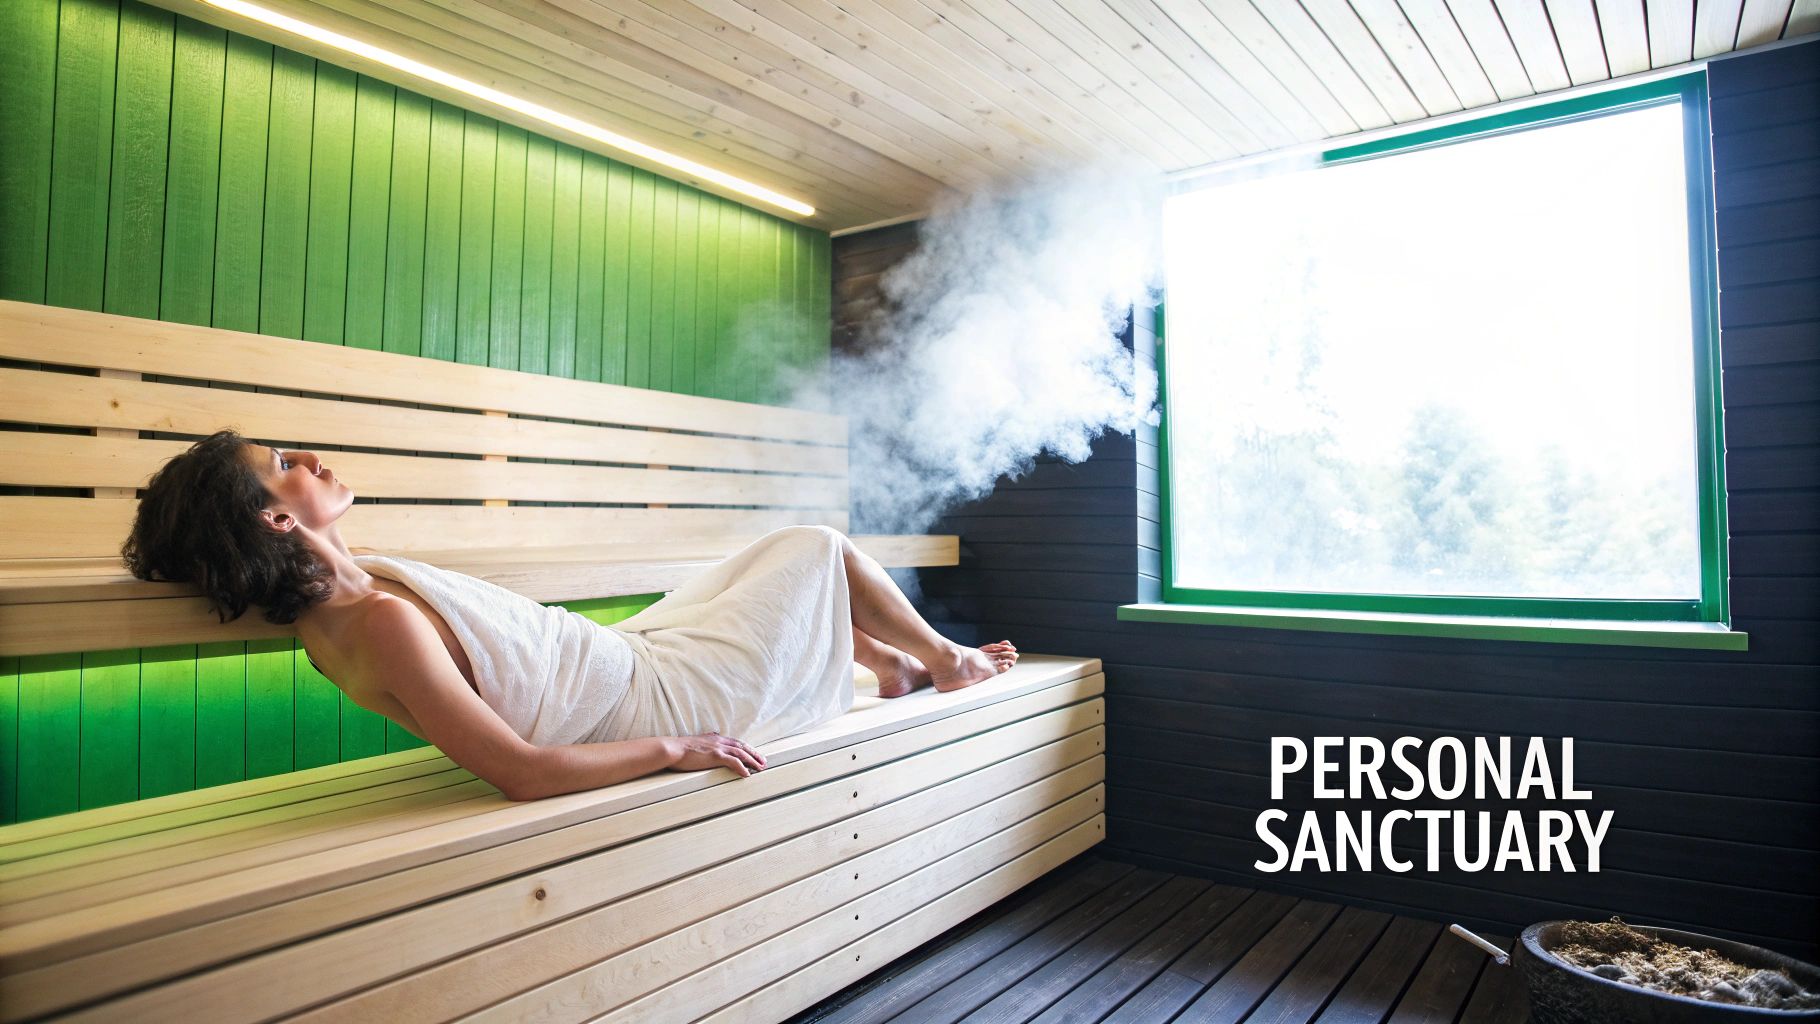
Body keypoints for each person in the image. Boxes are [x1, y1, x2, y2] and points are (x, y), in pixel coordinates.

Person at [122, 430, 1018, 801]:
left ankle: (891, 666)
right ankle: (944, 661)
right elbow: (521, 771)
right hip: (650, 700)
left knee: (759, 563)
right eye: (284, 461)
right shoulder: (378, 624)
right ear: (277, 519)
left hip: (617, 658)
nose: (311, 458)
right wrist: (679, 748)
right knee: (817, 546)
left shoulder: (350, 608)